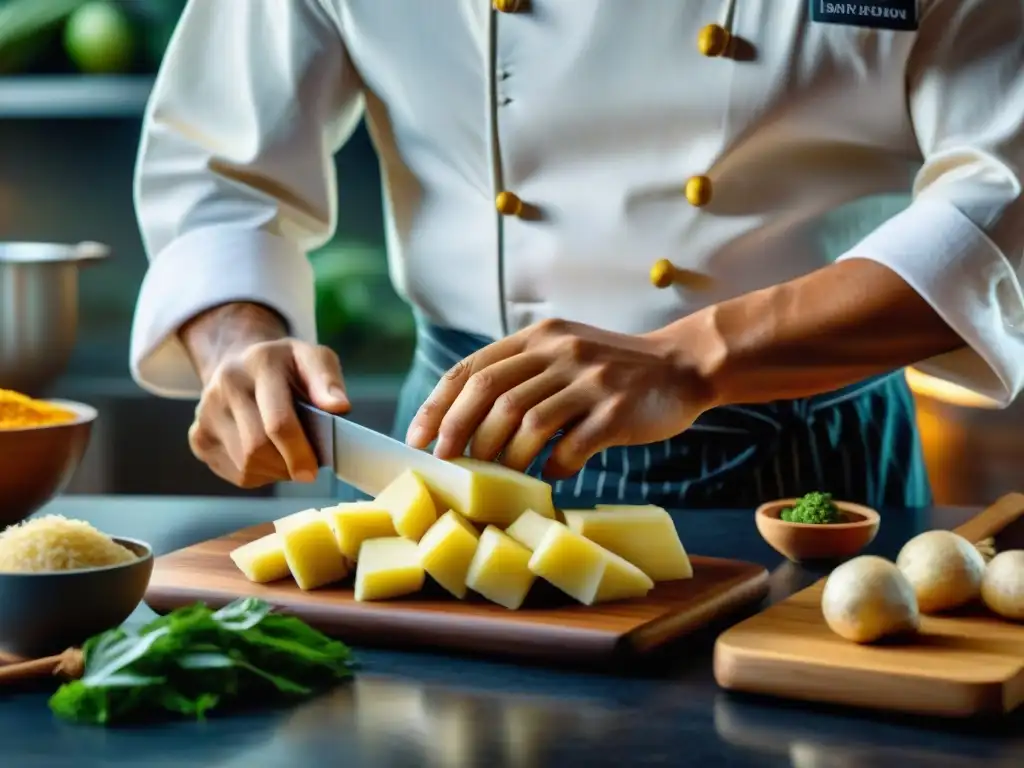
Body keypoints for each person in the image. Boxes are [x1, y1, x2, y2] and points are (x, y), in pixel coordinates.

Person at [130, 0, 1024, 510]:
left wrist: (694, 357)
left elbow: (1001, 199)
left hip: (805, 462)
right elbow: (219, 165)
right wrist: (237, 345)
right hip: (453, 438)